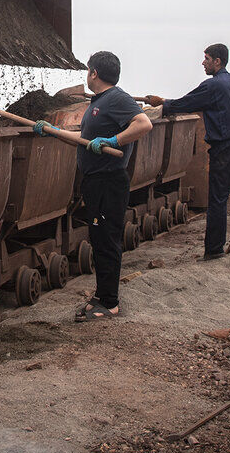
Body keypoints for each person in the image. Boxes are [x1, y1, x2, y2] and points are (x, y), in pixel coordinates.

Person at [36, 51, 151, 320]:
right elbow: (84, 138)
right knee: (99, 239)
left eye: (87, 70)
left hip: (109, 181)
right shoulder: (99, 102)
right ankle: (101, 295)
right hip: (96, 181)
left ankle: (110, 303)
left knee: (107, 239)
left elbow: (144, 123)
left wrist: (114, 141)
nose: (86, 74)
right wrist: (52, 131)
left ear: (94, 73)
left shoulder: (117, 98)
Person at [145, 43, 230, 261]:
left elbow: (186, 103)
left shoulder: (212, 86)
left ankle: (214, 250)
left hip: (223, 148)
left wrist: (162, 104)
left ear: (217, 61)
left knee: (218, 198)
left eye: (206, 58)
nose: (203, 62)